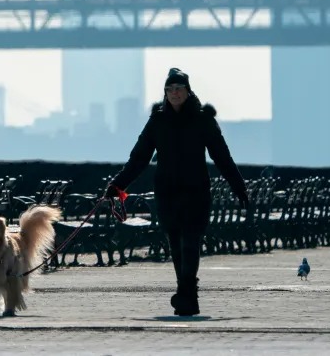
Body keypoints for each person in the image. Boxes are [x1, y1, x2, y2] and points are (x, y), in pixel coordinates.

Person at [104, 67, 249, 317]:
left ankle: (186, 295)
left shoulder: (203, 119)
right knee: (176, 246)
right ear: (165, 93)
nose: (174, 93)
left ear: (187, 90)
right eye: (169, 89)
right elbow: (139, 158)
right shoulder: (158, 121)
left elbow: (222, 156)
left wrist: (238, 186)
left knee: (190, 242)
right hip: (167, 191)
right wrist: (118, 186)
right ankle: (186, 295)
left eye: (178, 88)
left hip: (196, 191)